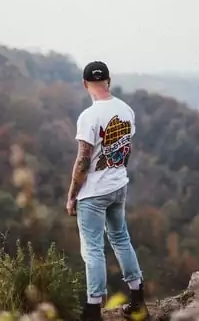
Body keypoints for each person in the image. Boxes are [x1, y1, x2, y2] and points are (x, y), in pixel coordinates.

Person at [66, 61, 148, 321]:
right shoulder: (126, 110)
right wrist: (117, 172)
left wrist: (72, 194)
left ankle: (92, 310)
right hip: (118, 185)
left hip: (93, 192)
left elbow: (82, 160)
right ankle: (138, 301)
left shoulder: (89, 116)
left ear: (85, 84)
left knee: (92, 249)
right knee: (121, 239)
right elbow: (126, 149)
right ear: (109, 81)